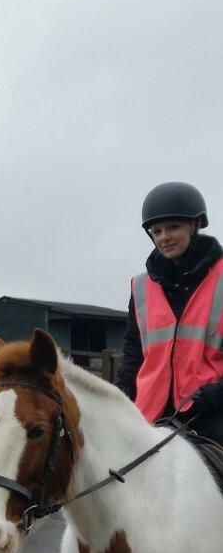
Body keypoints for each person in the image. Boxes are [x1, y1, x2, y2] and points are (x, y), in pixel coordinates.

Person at [116, 181, 223, 445]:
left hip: (210, 412)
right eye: (157, 231)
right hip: (149, 415)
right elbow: (133, 355)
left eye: (173, 227)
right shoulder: (141, 286)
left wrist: (210, 398)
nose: (164, 237)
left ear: (196, 225)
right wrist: (117, 400)